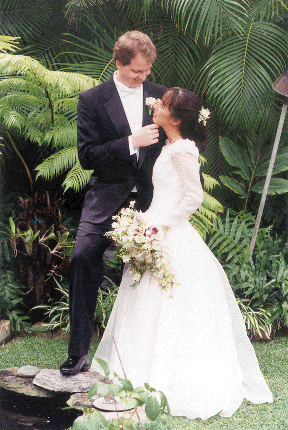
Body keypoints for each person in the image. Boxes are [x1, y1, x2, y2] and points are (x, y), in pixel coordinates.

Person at [90, 88, 273, 420]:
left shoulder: (183, 151)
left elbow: (193, 198)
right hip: (153, 227)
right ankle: (138, 367)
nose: (155, 106)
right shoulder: (169, 145)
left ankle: (173, 377)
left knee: (171, 301)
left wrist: (161, 226)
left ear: (174, 118)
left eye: (162, 105)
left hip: (168, 232)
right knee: (144, 300)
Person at [60, 31, 167, 375]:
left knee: (153, 274)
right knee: (81, 259)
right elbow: (88, 156)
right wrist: (130, 142)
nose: (143, 79)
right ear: (119, 63)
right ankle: (77, 353)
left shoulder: (159, 96)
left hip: (152, 199)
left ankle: (150, 359)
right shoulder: (92, 99)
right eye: (136, 72)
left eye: (147, 71)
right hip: (105, 195)